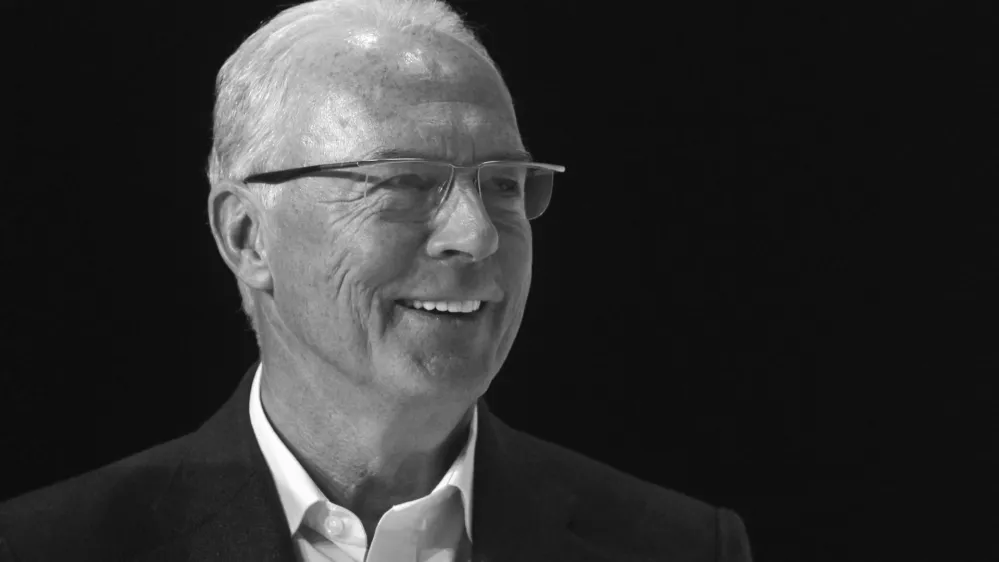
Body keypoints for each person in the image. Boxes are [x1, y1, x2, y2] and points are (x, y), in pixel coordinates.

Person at [0, 1, 753, 560]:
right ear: (246, 235)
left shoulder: (681, 547)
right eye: (403, 182)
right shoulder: (49, 546)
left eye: (502, 184)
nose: (478, 233)